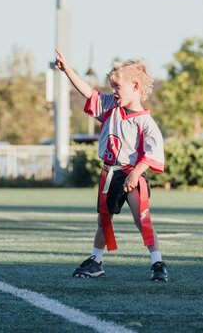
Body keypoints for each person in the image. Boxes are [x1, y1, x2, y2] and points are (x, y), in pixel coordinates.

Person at [55, 49, 168, 281]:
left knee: (142, 219)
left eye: (117, 87)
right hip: (109, 173)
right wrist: (67, 70)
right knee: (103, 220)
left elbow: (152, 152)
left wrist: (135, 174)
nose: (113, 91)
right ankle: (96, 261)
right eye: (112, 86)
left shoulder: (145, 121)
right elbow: (88, 92)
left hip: (131, 175)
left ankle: (157, 263)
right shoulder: (109, 108)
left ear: (135, 87)